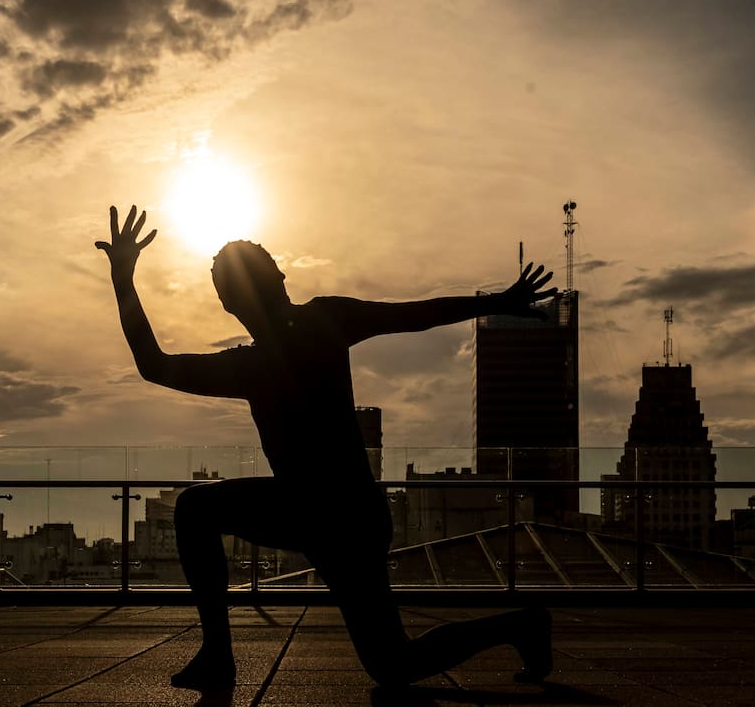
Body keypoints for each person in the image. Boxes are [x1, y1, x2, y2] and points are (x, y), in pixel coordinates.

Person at [97, 205, 555, 690]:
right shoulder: (312, 329)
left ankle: (520, 625)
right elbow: (416, 314)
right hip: (330, 511)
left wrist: (124, 280)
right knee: (390, 664)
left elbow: (154, 365)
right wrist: (496, 302)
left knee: (391, 664)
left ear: (235, 302)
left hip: (334, 516)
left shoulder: (282, 345)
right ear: (275, 279)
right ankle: (217, 656)